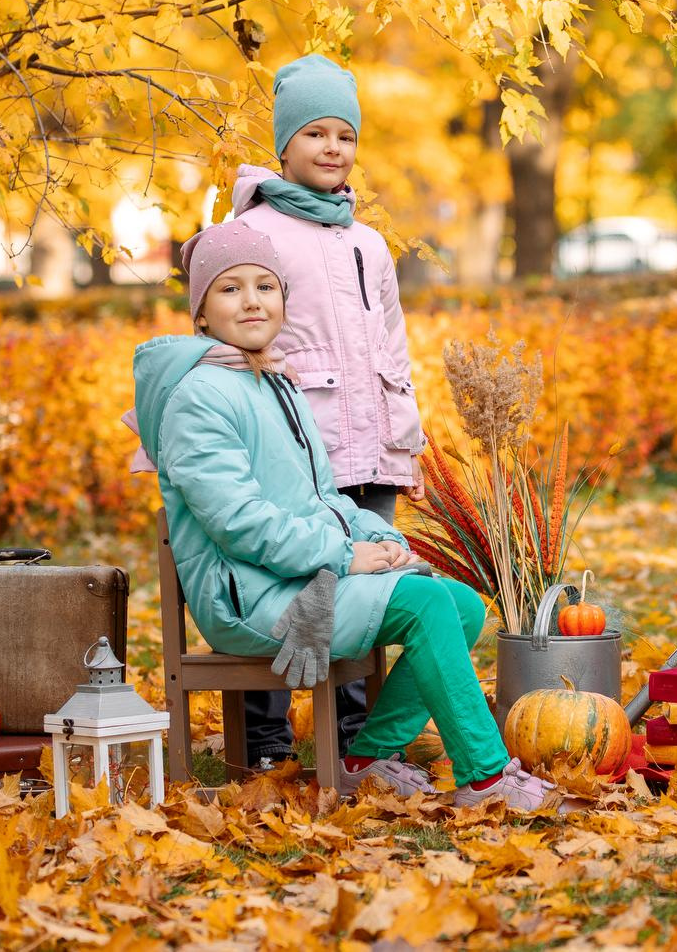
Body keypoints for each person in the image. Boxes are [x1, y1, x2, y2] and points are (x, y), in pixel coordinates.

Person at [132, 219, 564, 809]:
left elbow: (325, 497)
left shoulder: (277, 384)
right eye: (230, 289)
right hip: (251, 597)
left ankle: (366, 760)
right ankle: (487, 778)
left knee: (461, 604)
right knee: (425, 605)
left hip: (303, 574)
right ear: (201, 313)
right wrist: (345, 556)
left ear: (286, 299)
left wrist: (382, 542)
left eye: (266, 286)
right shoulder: (199, 398)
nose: (252, 300)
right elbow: (240, 522)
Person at [226, 54, 429, 779]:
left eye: (345, 134)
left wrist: (405, 447)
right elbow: (230, 329)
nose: (332, 147)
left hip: (369, 449)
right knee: (294, 588)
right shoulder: (258, 231)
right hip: (297, 448)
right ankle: (267, 740)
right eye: (315, 132)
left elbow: (391, 349)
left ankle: (358, 738)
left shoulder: (367, 241)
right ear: (284, 143)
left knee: (368, 593)